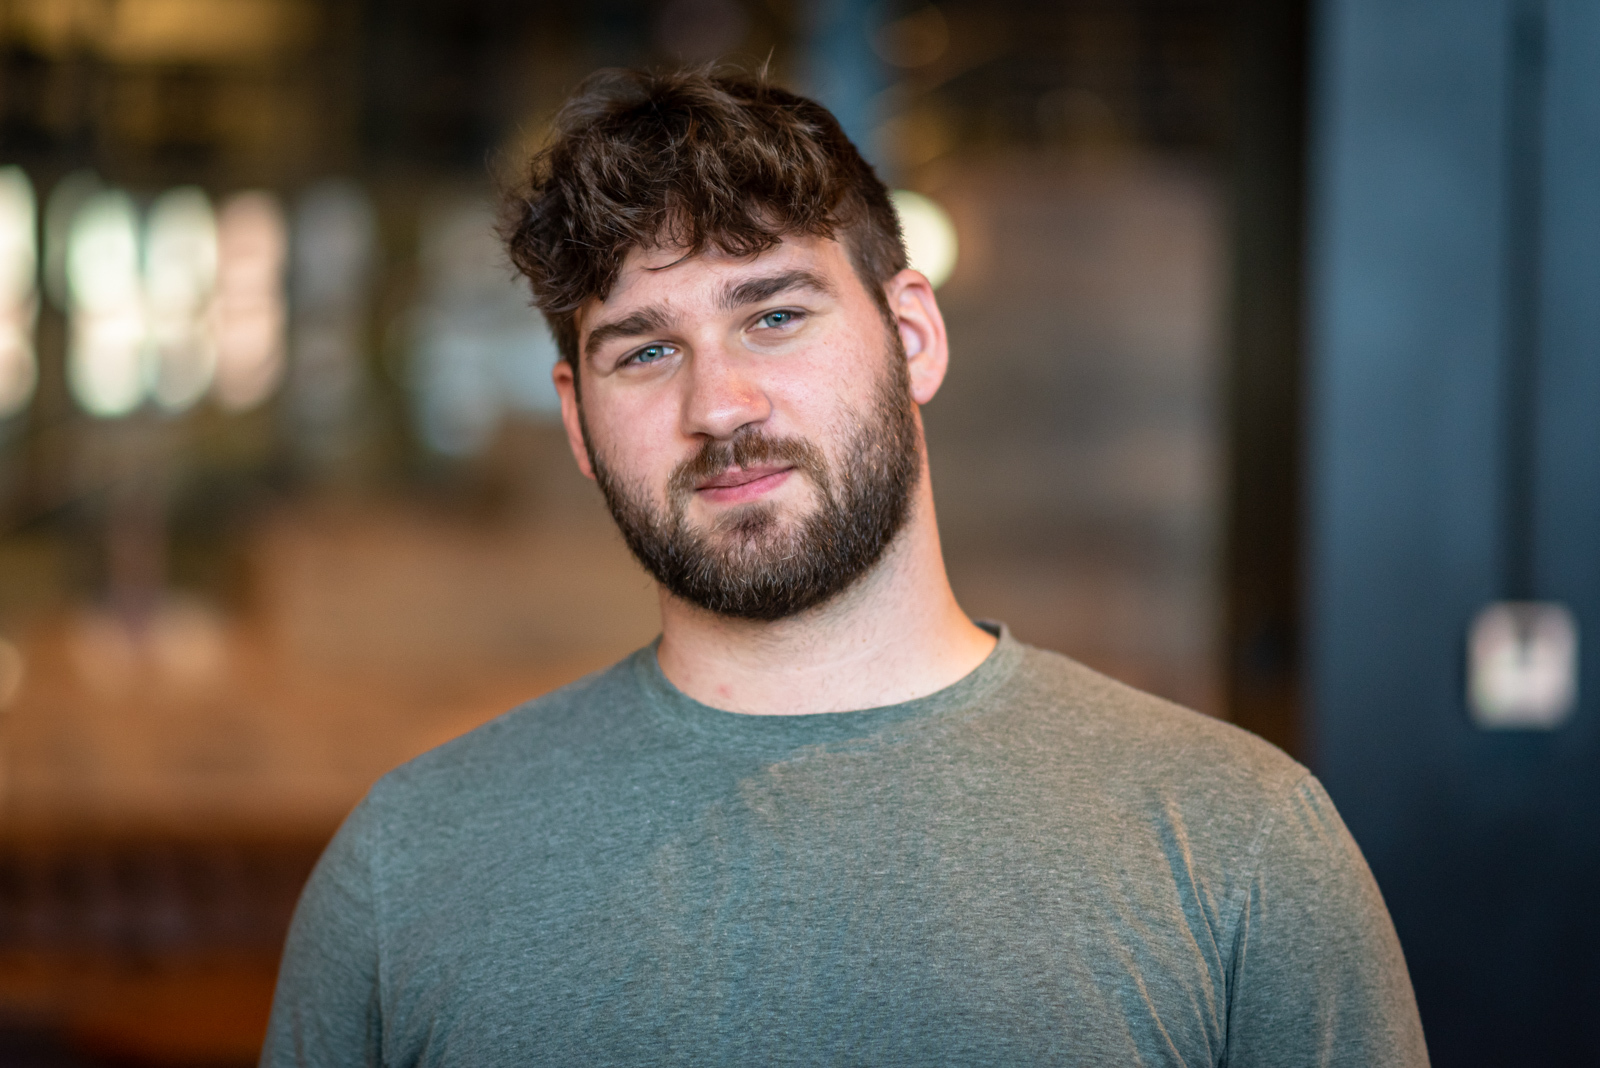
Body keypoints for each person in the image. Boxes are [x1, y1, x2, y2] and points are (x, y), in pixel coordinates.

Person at [262, 69, 1428, 1067]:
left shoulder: (1239, 842)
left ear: (912, 337)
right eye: (646, 351)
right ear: (576, 419)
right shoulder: (407, 869)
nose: (720, 406)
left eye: (773, 316)